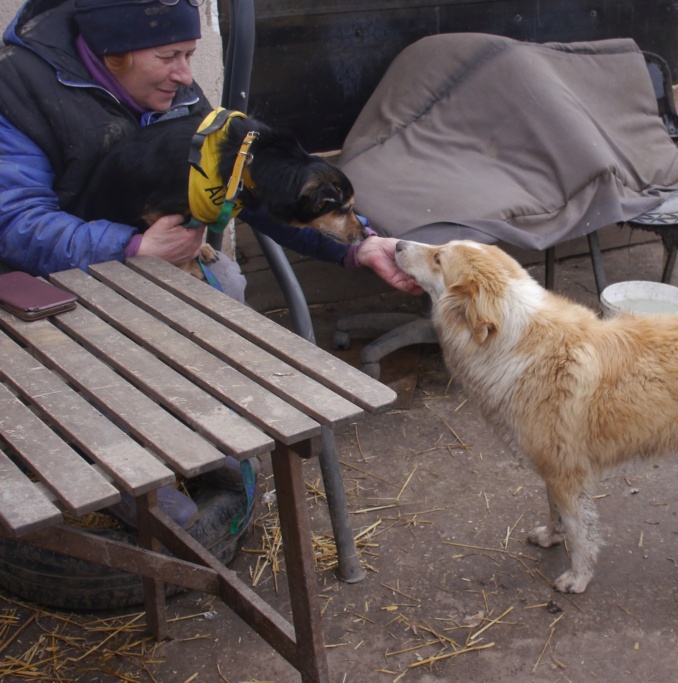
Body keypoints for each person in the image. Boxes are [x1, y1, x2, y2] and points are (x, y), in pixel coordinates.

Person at [0, 0, 421, 528]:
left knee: (222, 277)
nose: (185, 74)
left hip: (155, 250)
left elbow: (257, 190)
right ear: (113, 55)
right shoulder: (19, 87)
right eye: (169, 56)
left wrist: (354, 247)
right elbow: (13, 223)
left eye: (191, 54)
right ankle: (120, 461)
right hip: (47, 279)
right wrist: (131, 249)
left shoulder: (177, 95)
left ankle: (198, 433)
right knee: (125, 334)